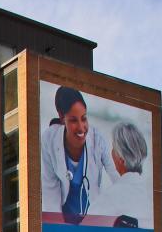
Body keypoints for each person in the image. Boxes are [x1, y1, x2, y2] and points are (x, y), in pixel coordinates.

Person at [41, 86, 119, 223]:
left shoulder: (98, 140)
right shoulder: (49, 140)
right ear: (61, 115)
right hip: (64, 226)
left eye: (84, 118)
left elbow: (117, 176)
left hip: (92, 221)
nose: (82, 127)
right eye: (73, 120)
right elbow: (49, 191)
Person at [88, 122, 153, 228]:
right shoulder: (149, 196)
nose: (111, 153)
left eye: (113, 149)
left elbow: (84, 231)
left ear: (121, 160)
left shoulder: (112, 196)